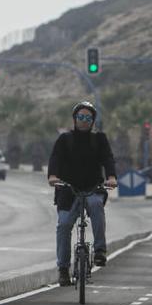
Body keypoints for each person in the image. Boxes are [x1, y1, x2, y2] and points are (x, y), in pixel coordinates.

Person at [48, 101, 118, 287]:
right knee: (63, 225)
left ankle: (100, 251)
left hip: (93, 187)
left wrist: (111, 177)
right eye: (81, 117)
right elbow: (55, 158)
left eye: (88, 118)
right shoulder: (65, 140)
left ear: (93, 121)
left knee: (96, 206)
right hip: (68, 189)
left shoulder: (99, 139)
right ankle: (63, 269)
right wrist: (53, 176)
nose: (84, 121)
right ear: (74, 119)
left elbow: (108, 158)